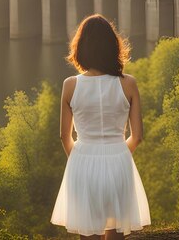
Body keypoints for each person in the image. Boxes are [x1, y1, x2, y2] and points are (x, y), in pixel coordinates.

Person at [51, 14, 150, 239]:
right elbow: (137, 137)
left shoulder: (70, 85)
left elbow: (63, 136)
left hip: (82, 163)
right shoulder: (129, 84)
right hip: (119, 162)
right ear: (113, 47)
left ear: (81, 48)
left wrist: (80, 159)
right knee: (115, 233)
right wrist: (118, 153)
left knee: (88, 234)